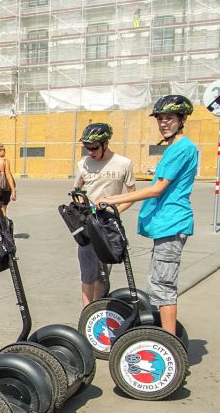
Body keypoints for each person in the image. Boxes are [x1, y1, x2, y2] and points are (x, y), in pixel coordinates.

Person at [100, 95, 197, 336]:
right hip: (167, 224)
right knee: (158, 283)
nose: (164, 123)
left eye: (170, 118)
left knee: (163, 286)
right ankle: (167, 336)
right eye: (161, 119)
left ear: (182, 119)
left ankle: (168, 342)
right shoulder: (177, 148)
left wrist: (112, 199)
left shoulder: (181, 149)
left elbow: (157, 189)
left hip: (172, 222)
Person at [73, 122, 136, 305]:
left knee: (103, 271)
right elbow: (76, 192)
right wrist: (82, 209)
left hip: (109, 223)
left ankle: (98, 304)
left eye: (94, 147)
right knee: (87, 271)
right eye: (87, 148)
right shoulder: (83, 164)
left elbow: (132, 194)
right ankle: (87, 311)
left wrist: (116, 212)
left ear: (106, 143)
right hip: (88, 223)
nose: (90, 152)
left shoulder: (123, 164)